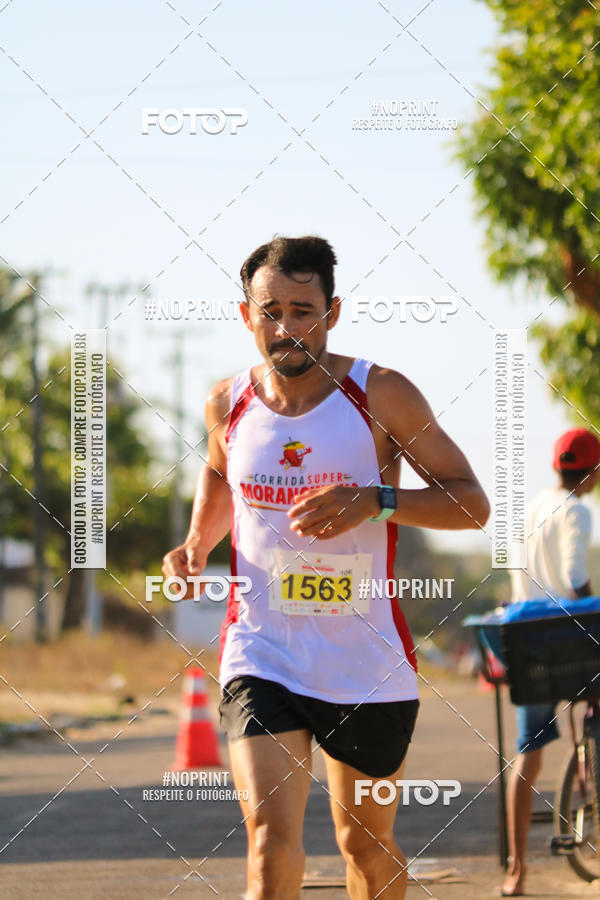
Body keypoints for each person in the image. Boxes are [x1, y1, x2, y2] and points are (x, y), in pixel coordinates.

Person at [163, 235, 490, 900]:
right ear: (245, 314)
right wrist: (197, 543)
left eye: (303, 311)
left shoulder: (382, 394)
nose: (286, 328)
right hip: (263, 650)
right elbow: (222, 477)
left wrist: (375, 500)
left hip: (364, 661)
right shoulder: (229, 402)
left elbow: (472, 504)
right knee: (268, 846)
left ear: (333, 311)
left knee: (363, 845)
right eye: (270, 311)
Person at [503, 427, 600, 897]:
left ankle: (517, 871)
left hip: (529, 645)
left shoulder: (532, 510)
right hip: (568, 641)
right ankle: (591, 783)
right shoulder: (578, 509)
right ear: (593, 472)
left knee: (528, 756)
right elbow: (576, 575)